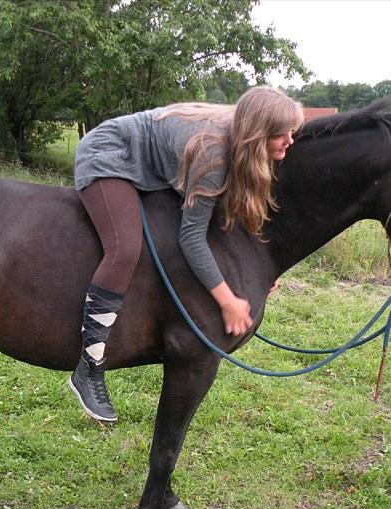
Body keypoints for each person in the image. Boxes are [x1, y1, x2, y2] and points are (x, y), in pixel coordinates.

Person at [70, 86, 304, 423]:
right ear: (257, 134)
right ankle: (88, 367)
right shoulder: (214, 155)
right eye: (281, 134)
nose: (290, 141)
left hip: (150, 161)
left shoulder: (241, 141)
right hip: (110, 154)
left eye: (291, 132)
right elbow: (191, 238)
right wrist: (227, 301)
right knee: (124, 249)